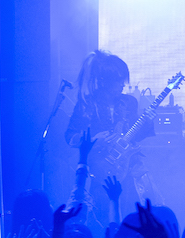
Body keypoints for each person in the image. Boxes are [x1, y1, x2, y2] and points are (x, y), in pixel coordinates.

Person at [64, 50, 157, 223]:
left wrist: (148, 123)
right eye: (118, 80)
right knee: (100, 216)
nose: (123, 84)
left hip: (128, 170)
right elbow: (70, 136)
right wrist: (94, 141)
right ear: (105, 81)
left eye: (124, 79)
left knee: (132, 215)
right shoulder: (87, 105)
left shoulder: (129, 102)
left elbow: (136, 136)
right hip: (98, 170)